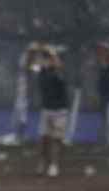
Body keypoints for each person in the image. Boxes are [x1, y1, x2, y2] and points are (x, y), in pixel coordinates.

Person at [34, 46, 68, 178]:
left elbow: (59, 68)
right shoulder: (41, 71)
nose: (45, 61)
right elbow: (33, 65)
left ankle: (54, 165)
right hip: (46, 109)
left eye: (47, 59)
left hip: (59, 110)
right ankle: (42, 163)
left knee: (56, 139)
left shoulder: (58, 72)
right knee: (43, 139)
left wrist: (53, 54)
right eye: (45, 59)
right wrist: (40, 52)